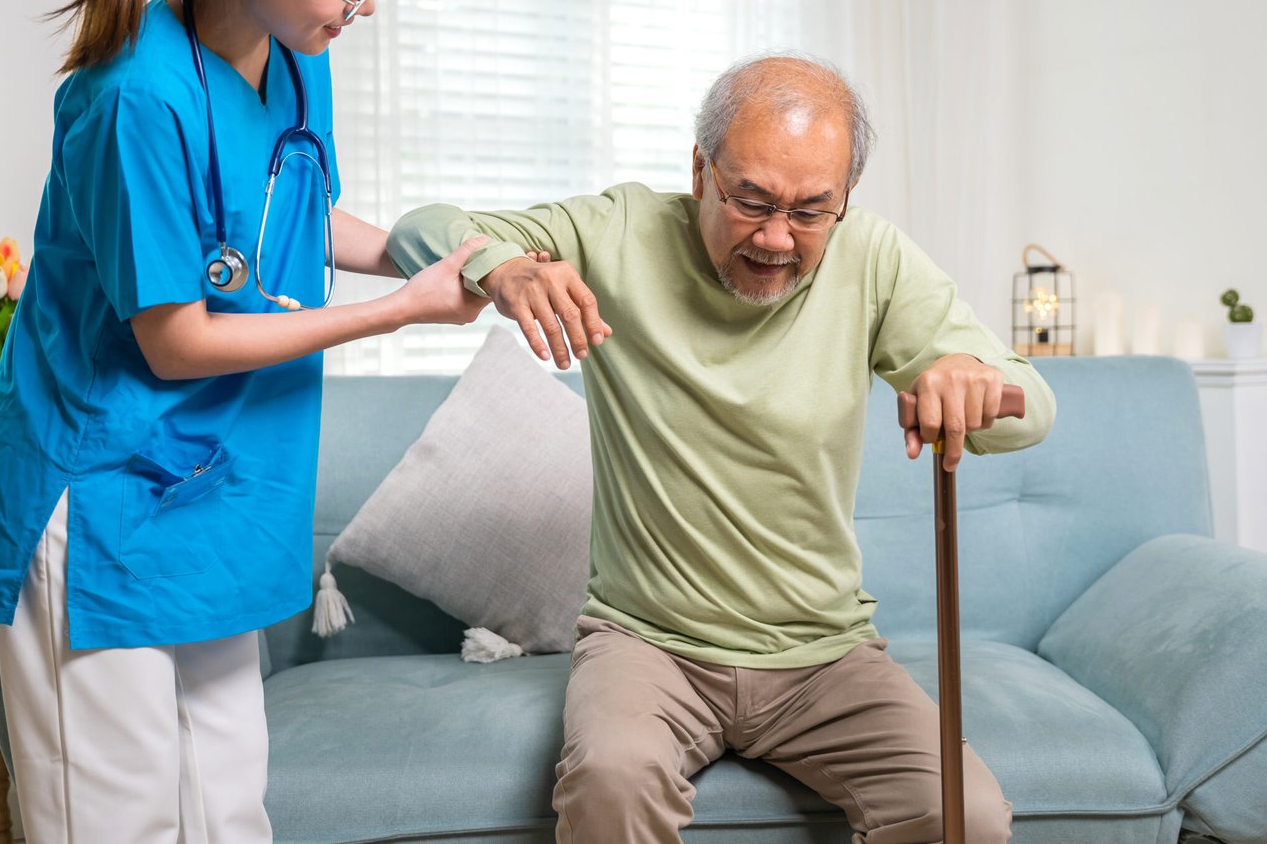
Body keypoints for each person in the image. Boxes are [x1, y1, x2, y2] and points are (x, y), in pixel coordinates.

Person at [0, 0, 493, 843]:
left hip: (220, 492)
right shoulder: (131, 98)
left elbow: (284, 208)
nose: (363, 5)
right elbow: (177, 337)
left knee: (226, 813)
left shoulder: (298, 53)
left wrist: (420, 256)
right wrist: (394, 314)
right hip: (107, 495)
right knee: (118, 820)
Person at [389, 54, 1057, 844]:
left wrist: (968, 378)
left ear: (845, 198)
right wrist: (501, 268)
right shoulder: (620, 231)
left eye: (813, 209)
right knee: (611, 780)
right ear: (701, 170)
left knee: (966, 815)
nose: (778, 237)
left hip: (823, 653)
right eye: (753, 199)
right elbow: (420, 229)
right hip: (648, 644)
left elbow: (1031, 408)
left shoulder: (873, 258)